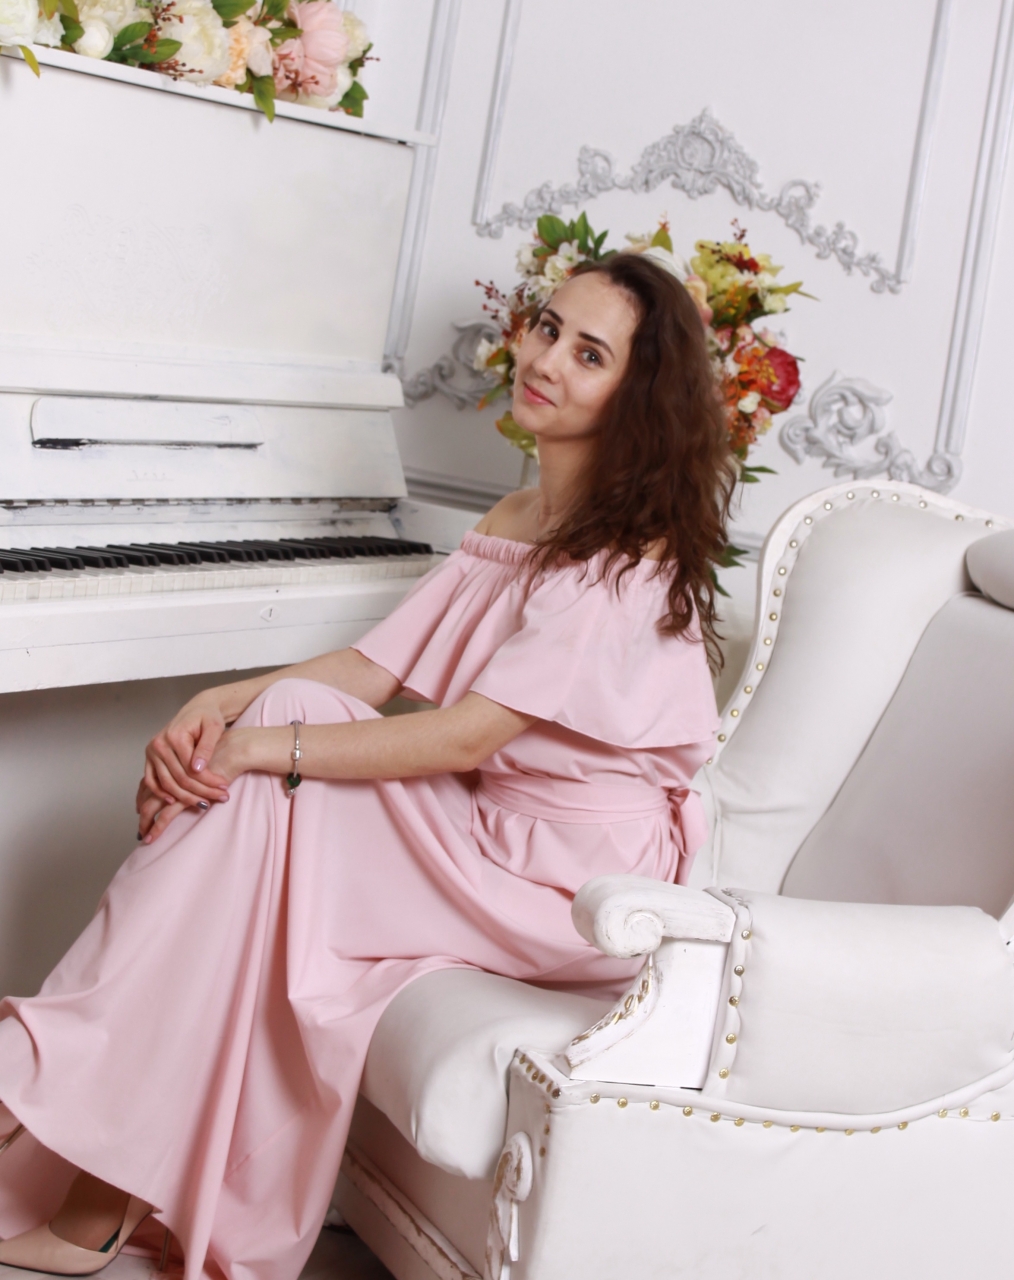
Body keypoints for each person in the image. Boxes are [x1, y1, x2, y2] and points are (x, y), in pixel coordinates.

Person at [0, 251, 734, 1280]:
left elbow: (465, 735)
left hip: (572, 879)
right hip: (490, 828)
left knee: (267, 782)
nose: (545, 360)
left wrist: (254, 748)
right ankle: (82, 1177)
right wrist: (220, 703)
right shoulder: (518, 517)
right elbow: (374, 670)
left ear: (638, 396)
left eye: (589, 353)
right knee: (276, 754)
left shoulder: (625, 557)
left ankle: (44, 1095)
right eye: (547, 327)